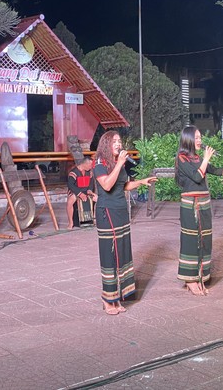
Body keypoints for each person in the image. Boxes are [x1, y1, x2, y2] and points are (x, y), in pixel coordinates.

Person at [175, 125, 223, 296]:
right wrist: (205, 158)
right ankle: (190, 280)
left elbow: (217, 171)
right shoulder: (182, 159)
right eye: (196, 138)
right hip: (190, 204)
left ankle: (200, 276)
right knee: (191, 240)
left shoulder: (197, 158)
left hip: (203, 202)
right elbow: (197, 177)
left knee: (204, 239)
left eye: (200, 137)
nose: (199, 140)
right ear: (188, 139)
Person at [93, 131, 156, 315]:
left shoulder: (117, 164)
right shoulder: (100, 164)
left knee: (122, 254)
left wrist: (141, 181)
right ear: (106, 144)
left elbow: (124, 185)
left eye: (120, 141)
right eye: (114, 141)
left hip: (121, 212)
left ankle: (118, 297)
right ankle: (107, 299)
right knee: (110, 256)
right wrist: (120, 163)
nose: (119, 144)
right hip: (107, 213)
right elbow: (106, 185)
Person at [66, 156, 97, 229]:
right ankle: (71, 222)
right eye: (90, 165)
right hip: (75, 191)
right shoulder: (73, 172)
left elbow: (91, 183)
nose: (91, 167)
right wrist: (79, 194)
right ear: (85, 164)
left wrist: (90, 190)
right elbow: (70, 185)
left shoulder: (89, 172)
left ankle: (93, 219)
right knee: (70, 202)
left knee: (98, 199)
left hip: (86, 191)